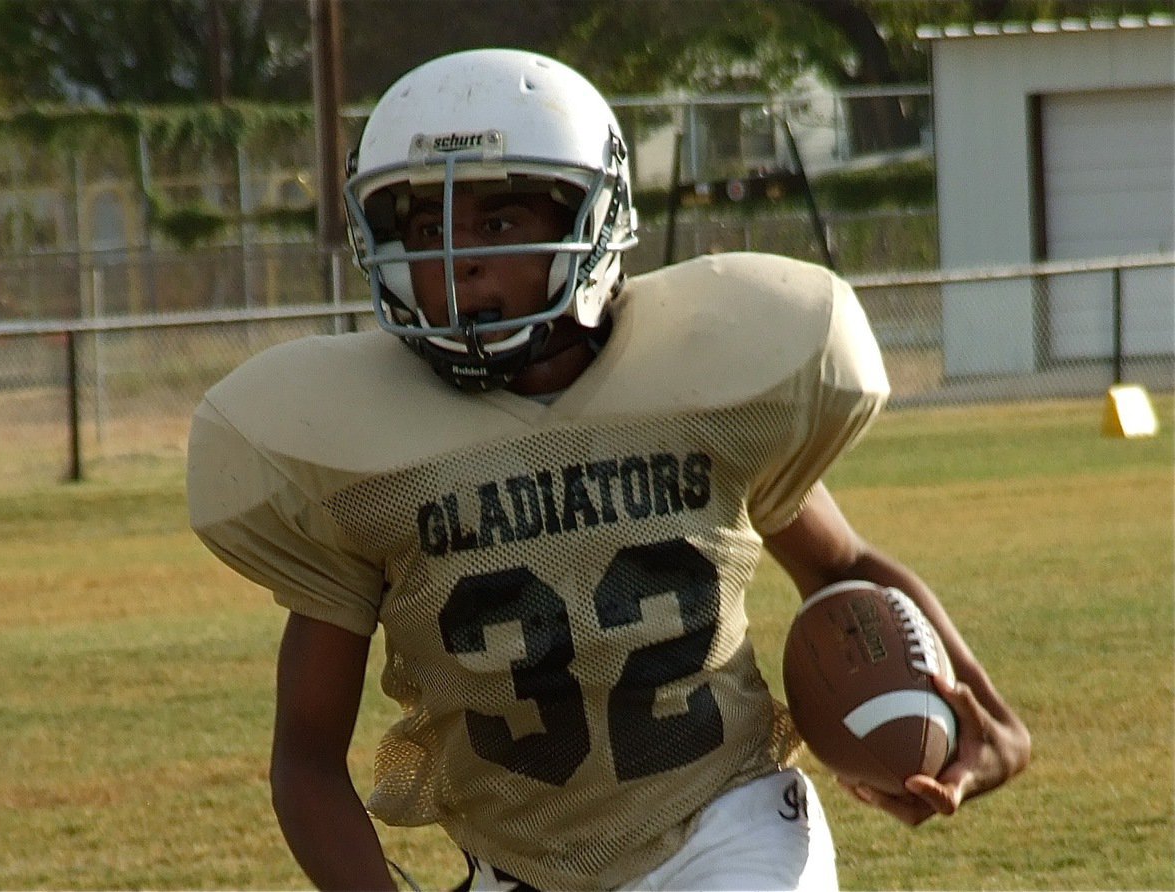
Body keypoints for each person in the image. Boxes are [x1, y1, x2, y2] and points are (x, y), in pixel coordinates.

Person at [186, 48, 1030, 891]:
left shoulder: (695, 386)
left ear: (593, 218)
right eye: (426, 229)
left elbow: (842, 568)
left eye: (499, 223)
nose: (457, 260)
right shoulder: (353, 450)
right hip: (518, 868)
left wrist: (983, 716)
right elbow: (304, 757)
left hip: (725, 831)